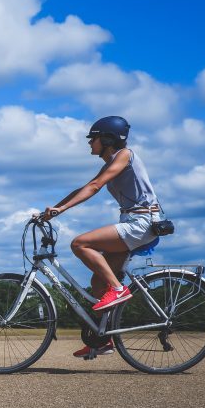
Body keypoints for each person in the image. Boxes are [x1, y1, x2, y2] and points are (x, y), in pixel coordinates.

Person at [39, 116, 162, 358]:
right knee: (97, 283)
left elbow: (95, 186)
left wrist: (61, 210)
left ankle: (118, 289)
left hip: (142, 222)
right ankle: (104, 340)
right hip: (132, 221)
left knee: (80, 243)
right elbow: (86, 187)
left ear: (107, 139)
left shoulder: (125, 155)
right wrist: (53, 209)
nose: (89, 144)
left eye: (92, 139)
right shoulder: (111, 162)